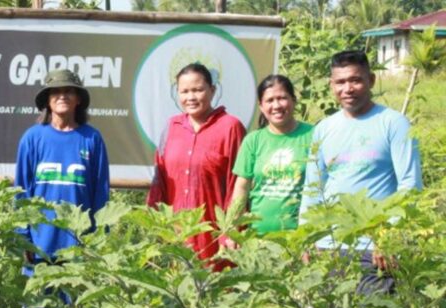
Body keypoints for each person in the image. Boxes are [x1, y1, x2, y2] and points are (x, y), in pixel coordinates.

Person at [299, 50, 422, 294]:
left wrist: (390, 239)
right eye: (340, 82)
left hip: (375, 248)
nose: (348, 88)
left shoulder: (394, 123)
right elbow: (313, 188)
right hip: (330, 245)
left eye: (355, 80)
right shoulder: (323, 129)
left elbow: (410, 184)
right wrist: (307, 238)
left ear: (371, 81)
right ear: (331, 85)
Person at [15, 69, 110, 308]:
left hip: (76, 242)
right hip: (40, 241)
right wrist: (22, 235)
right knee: (35, 302)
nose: (62, 96)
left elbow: (100, 193)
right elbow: (22, 190)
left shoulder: (91, 138)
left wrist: (97, 238)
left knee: (73, 304)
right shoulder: (33, 138)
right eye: (56, 92)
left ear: (79, 99)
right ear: (47, 100)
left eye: (69, 91)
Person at [146, 63, 246, 270]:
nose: (190, 97)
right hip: (177, 236)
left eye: (198, 90)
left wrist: (231, 231)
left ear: (212, 90)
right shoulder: (171, 127)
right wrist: (155, 225)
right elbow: (160, 181)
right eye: (184, 91)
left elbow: (239, 185)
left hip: (215, 240)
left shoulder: (230, 127)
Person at [227, 75, 313, 238]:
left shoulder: (313, 135)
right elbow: (241, 188)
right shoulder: (253, 140)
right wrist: (232, 226)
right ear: (261, 105)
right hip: (258, 235)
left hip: (299, 238)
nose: (276, 105)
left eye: (282, 98)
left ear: (293, 100)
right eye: (270, 100)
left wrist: (311, 235)